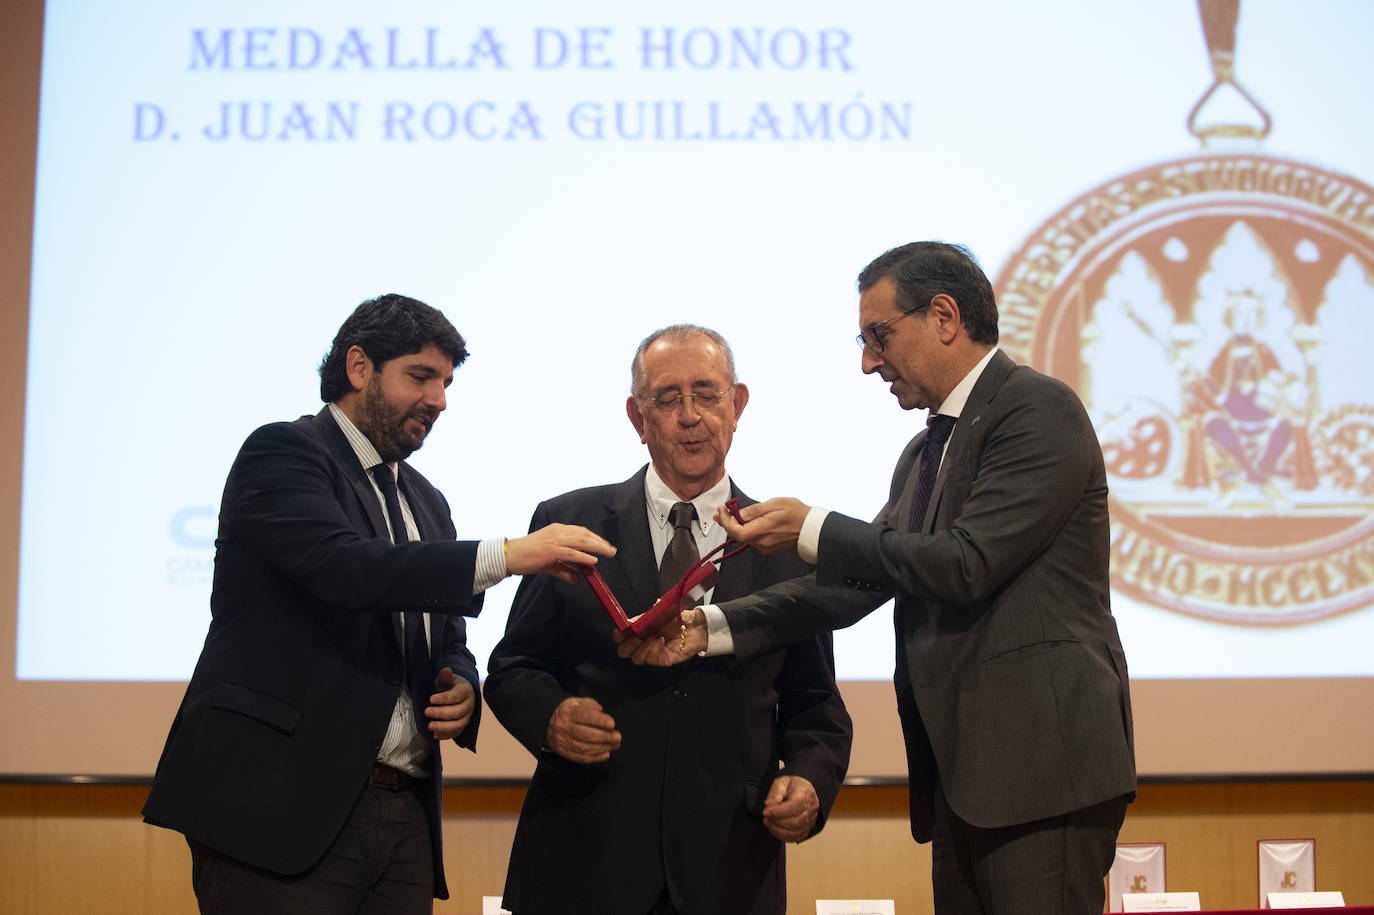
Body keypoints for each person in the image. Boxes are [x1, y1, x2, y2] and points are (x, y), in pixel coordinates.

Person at [622, 244, 1136, 915]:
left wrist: (814, 527)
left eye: (879, 336)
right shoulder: (926, 451)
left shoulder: (1036, 410)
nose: (869, 361)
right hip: (965, 783)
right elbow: (856, 584)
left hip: (1040, 776)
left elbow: (966, 562)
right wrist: (709, 627)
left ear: (945, 316)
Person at [142, 293, 615, 915]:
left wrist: (463, 685)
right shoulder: (284, 454)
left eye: (446, 382)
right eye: (420, 376)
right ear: (359, 367)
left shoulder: (428, 501)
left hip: (403, 813)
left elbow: (445, 637)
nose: (439, 400)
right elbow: (348, 568)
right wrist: (510, 554)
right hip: (280, 810)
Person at [484, 325, 853, 915]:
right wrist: (550, 718)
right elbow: (512, 666)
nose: (689, 416)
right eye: (667, 398)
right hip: (580, 864)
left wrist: (810, 780)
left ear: (737, 407)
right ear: (638, 417)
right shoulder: (569, 521)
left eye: (707, 394)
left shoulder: (784, 547)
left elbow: (816, 706)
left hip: (729, 868)